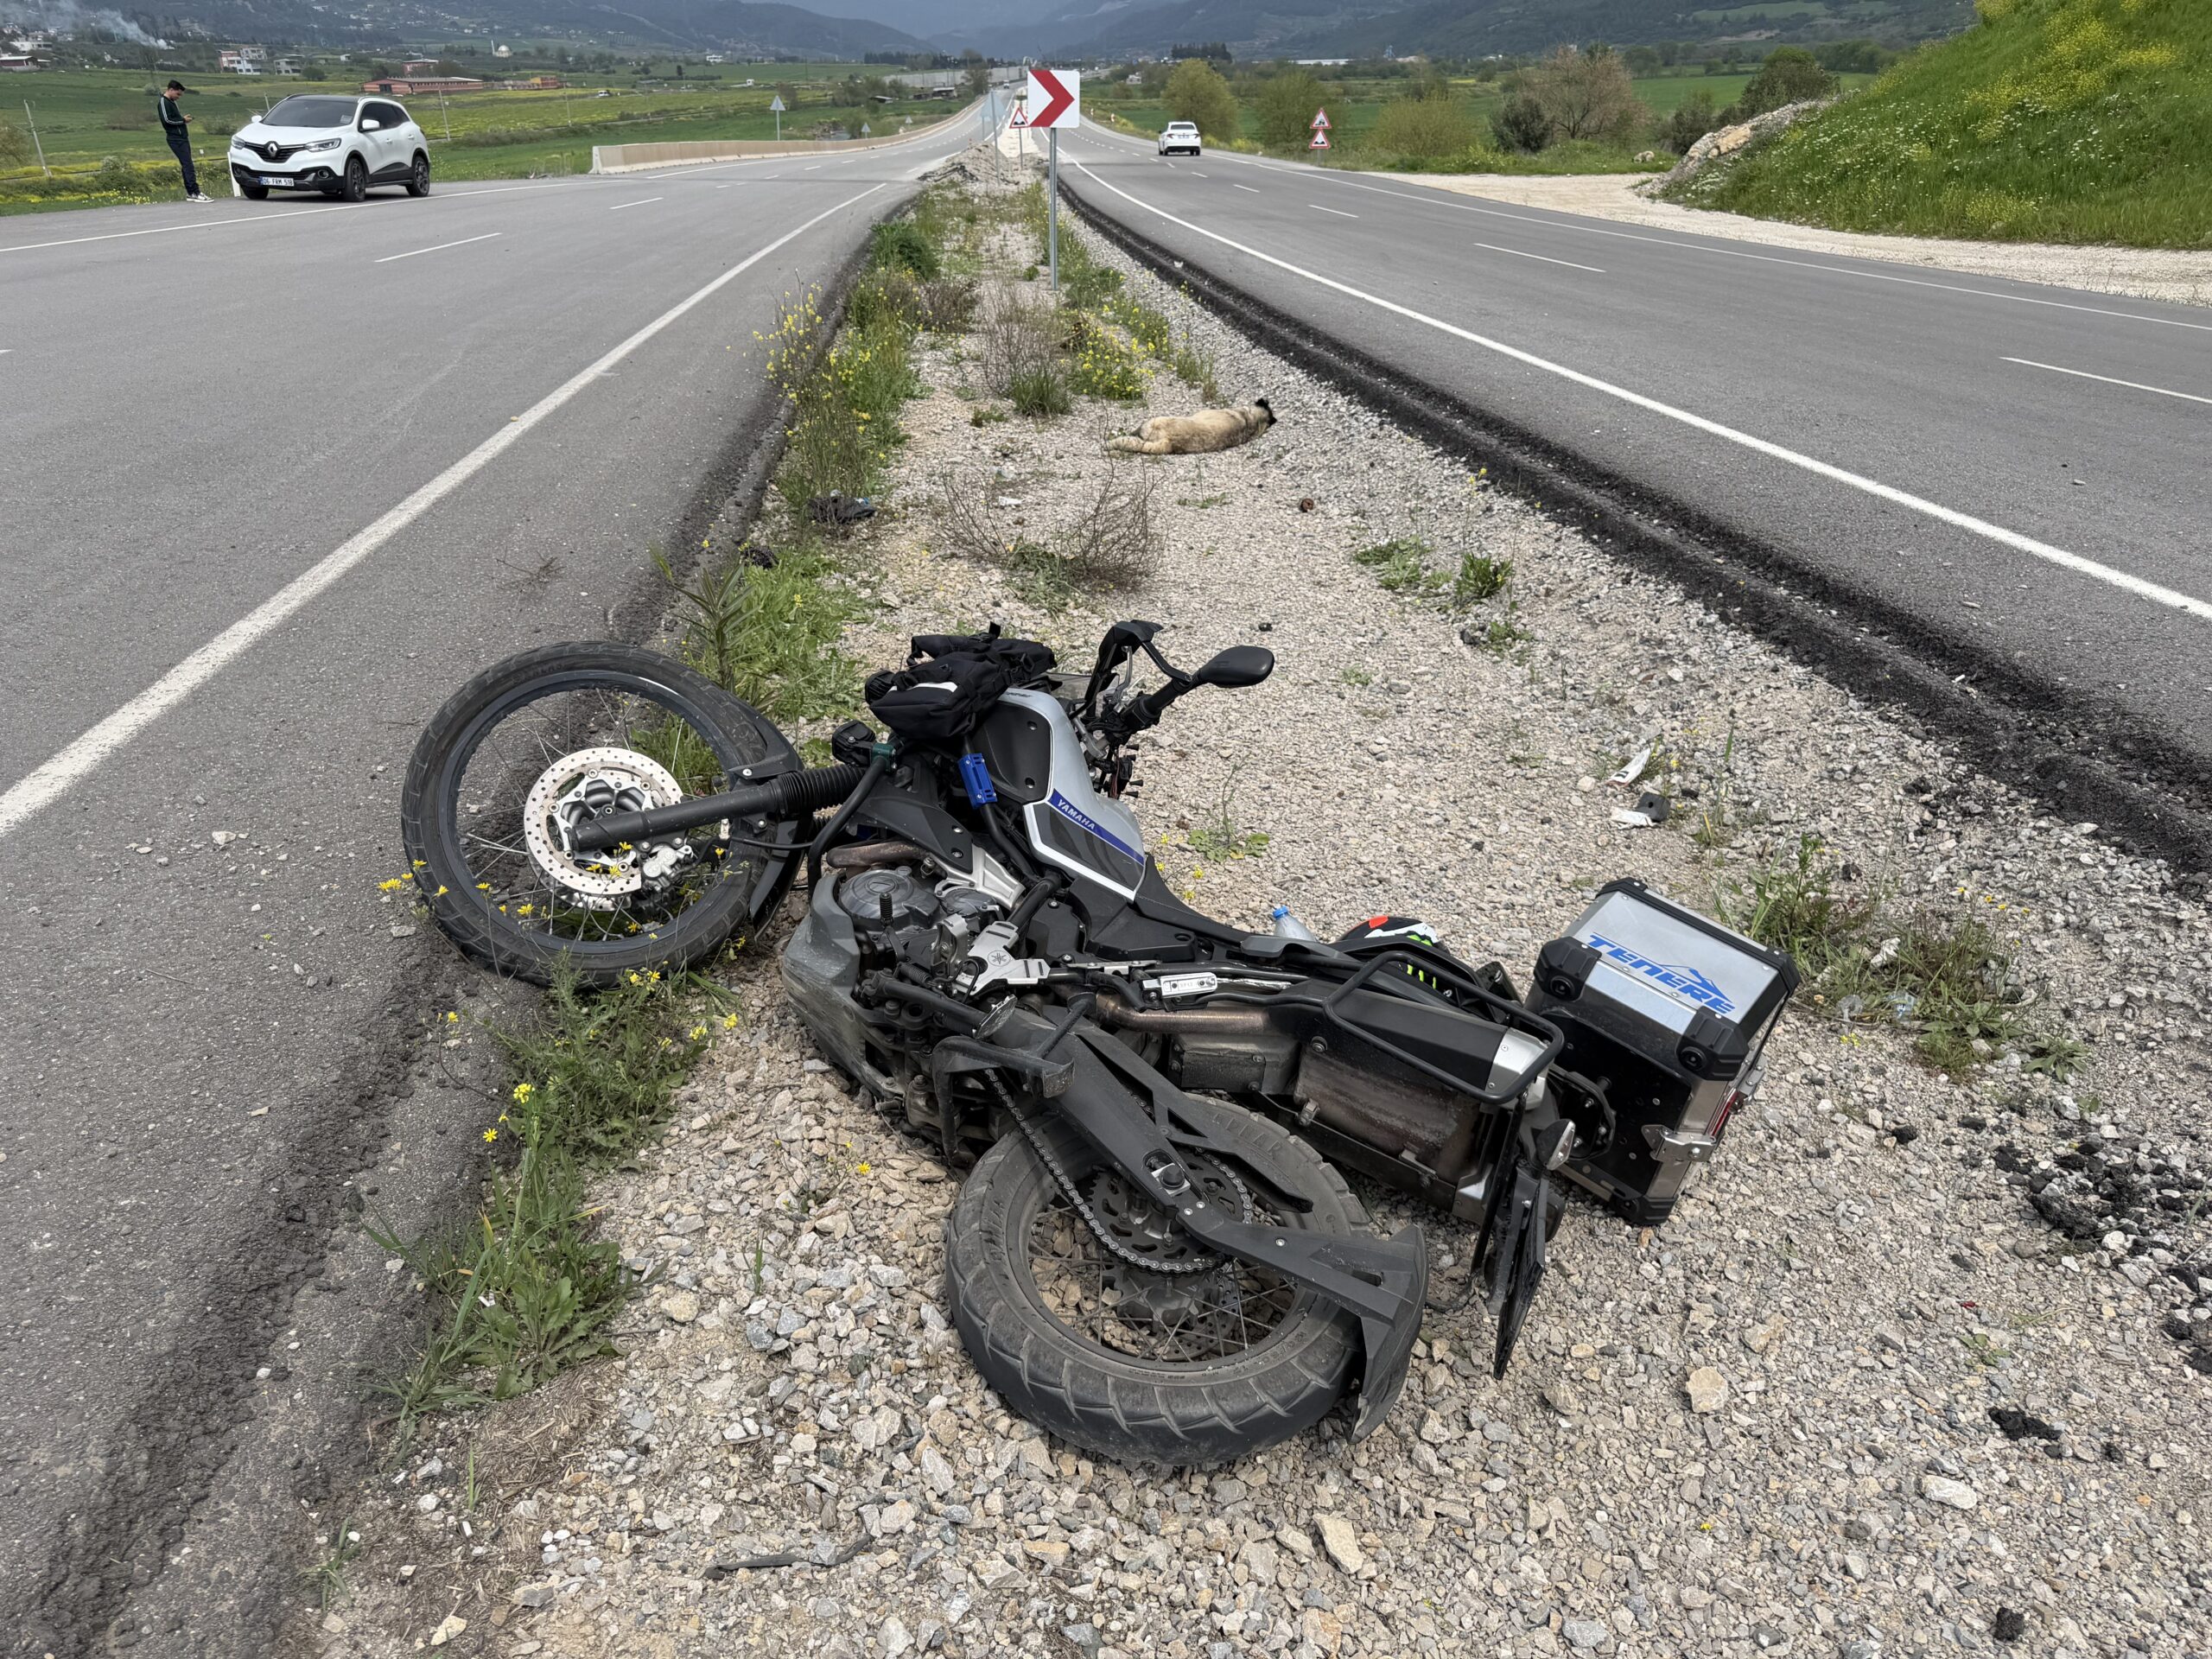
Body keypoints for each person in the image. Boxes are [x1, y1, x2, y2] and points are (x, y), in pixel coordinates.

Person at [157, 79, 213, 203]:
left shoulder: (171, 102)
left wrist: (182, 120)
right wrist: (183, 121)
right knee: (188, 165)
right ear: (170, 90)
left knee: (186, 165)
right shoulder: (163, 102)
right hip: (175, 138)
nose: (178, 97)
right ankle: (196, 192)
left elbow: (174, 118)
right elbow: (167, 120)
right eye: (178, 94)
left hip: (182, 137)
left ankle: (190, 192)